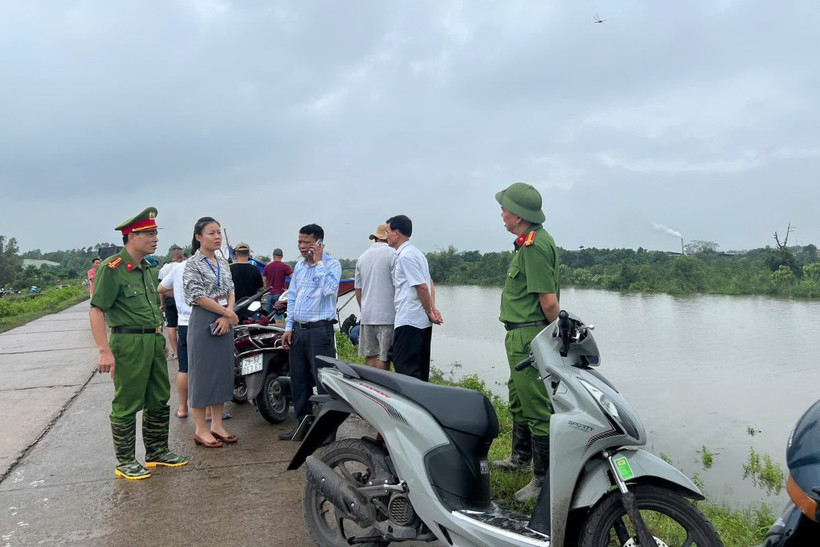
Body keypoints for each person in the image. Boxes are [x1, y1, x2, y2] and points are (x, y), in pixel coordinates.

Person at [88, 207, 188, 480]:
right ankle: (125, 460)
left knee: (158, 396)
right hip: (128, 341)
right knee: (128, 401)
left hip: (152, 340)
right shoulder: (113, 270)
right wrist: (104, 350)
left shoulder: (147, 268)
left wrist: (159, 338)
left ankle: (157, 451)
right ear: (131, 236)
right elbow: (96, 309)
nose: (155, 238)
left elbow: (151, 304)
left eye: (156, 232)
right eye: (149, 233)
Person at [492, 182, 560, 503]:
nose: (502, 214)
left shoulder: (534, 247)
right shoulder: (527, 243)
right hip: (519, 334)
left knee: (537, 407)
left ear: (518, 216)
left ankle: (543, 480)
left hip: (529, 336)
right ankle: (520, 457)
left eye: (504, 209)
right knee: (518, 397)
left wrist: (556, 338)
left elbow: (548, 302)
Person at [278, 224, 341, 441]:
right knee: (299, 380)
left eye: (307, 242)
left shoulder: (332, 265)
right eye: (300, 242)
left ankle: (327, 431)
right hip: (299, 331)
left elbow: (330, 290)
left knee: (324, 381)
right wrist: (288, 327)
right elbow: (292, 296)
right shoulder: (299, 267)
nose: (302, 246)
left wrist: (319, 263)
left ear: (319, 243)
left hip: (319, 331)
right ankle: (302, 426)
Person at [182, 217, 240, 448]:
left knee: (222, 372)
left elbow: (231, 290)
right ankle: (201, 429)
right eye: (211, 233)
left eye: (218, 232)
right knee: (202, 374)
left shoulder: (222, 262)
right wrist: (226, 313)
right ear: (198, 237)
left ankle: (217, 424)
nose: (217, 237)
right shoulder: (192, 264)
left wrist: (228, 314)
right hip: (203, 318)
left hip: (224, 318)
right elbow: (197, 296)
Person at [385, 215, 442, 382]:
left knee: (406, 370)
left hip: (409, 320)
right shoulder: (416, 253)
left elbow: (422, 286)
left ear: (396, 233)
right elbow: (429, 282)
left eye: (387, 231)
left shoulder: (405, 256)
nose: (386, 235)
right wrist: (432, 308)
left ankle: (411, 406)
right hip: (420, 321)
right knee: (419, 369)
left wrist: (429, 310)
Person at [354, 223, 396, 370]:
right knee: (384, 356)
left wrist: (363, 308)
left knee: (370, 355)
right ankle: (382, 388)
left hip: (367, 314)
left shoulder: (362, 257)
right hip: (387, 315)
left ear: (375, 238)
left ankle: (369, 387)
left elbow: (358, 290)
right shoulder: (393, 255)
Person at [158, 254, 192, 419]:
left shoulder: (173, 268)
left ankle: (183, 408)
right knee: (204, 369)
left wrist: (177, 294)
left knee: (184, 369)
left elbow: (161, 288)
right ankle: (208, 412)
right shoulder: (208, 266)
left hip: (183, 321)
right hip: (203, 321)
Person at [158, 247, 184, 359]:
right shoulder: (184, 266)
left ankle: (176, 352)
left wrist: (162, 303)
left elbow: (161, 290)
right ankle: (185, 349)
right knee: (184, 323)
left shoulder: (164, 269)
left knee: (171, 326)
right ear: (180, 256)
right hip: (182, 299)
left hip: (169, 300)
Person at [262, 248, 293, 313]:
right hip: (280, 294)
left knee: (267, 316)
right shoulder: (285, 267)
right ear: (282, 256)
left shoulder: (267, 267)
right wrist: (289, 290)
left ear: (273, 256)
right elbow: (293, 278)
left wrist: (266, 288)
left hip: (269, 293)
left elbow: (264, 280)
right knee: (278, 316)